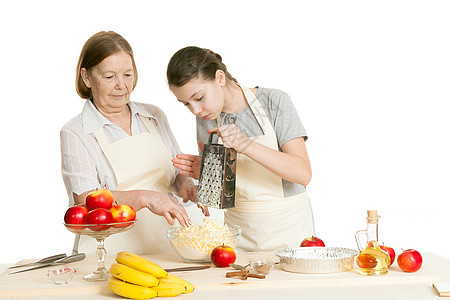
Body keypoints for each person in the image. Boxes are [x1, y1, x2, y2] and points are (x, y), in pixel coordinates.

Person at [60, 31, 197, 255]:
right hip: (109, 253)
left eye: (127, 74)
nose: (122, 86)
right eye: (109, 77)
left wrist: (188, 187)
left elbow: (173, 179)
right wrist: (144, 197)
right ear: (86, 78)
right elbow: (84, 199)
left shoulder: (153, 116)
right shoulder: (76, 132)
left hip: (167, 248)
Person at [167, 46, 315, 252]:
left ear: (220, 78)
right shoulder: (206, 119)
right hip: (240, 236)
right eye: (186, 104)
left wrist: (245, 144)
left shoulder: (274, 102)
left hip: (290, 232)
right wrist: (206, 179)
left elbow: (303, 173)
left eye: (199, 98)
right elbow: (223, 196)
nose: (196, 110)